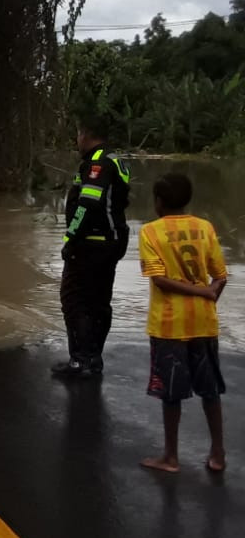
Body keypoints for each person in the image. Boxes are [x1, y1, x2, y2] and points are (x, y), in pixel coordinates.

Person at [138, 173, 228, 473]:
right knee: (210, 391)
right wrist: (209, 294)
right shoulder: (204, 228)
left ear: (158, 202)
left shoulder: (151, 232)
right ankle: (218, 453)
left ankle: (171, 457)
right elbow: (220, 275)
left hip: (169, 327)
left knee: (171, 395)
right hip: (204, 323)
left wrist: (204, 290)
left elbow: (161, 280)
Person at [53, 116, 132, 378]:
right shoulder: (115, 160)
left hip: (91, 244)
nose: (77, 141)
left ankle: (81, 360)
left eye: (78, 134)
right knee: (99, 302)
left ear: (86, 134)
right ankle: (93, 359)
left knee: (74, 300)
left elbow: (89, 205)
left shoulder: (97, 163)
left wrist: (70, 238)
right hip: (112, 241)